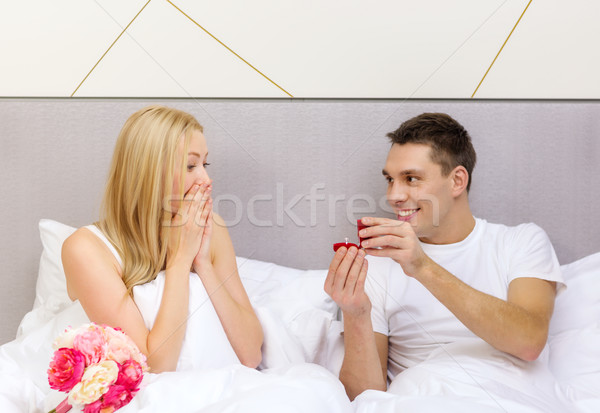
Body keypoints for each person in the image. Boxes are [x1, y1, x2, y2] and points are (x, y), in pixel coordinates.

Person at [324, 112, 564, 401]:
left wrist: (422, 266)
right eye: (390, 179)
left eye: (411, 178)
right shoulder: (376, 263)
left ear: (457, 181)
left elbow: (529, 342)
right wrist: (356, 315)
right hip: (424, 398)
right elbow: (362, 398)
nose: (394, 195)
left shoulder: (519, 242)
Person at [62, 105, 263, 373]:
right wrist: (180, 261)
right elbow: (155, 366)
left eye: (205, 164)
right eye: (191, 165)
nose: (206, 179)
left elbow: (251, 355)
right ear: (148, 172)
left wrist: (202, 262)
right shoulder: (85, 249)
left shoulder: (213, 228)